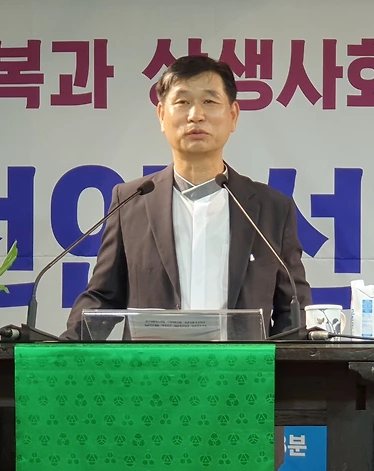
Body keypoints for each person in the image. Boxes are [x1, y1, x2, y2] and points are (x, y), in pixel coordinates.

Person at [63, 54, 313, 340]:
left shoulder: (271, 209)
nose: (196, 115)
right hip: (151, 366)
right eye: (182, 102)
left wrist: (285, 363)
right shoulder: (132, 201)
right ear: (161, 115)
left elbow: (292, 310)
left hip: (243, 368)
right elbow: (103, 298)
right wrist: (60, 351)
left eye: (209, 101)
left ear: (233, 116)